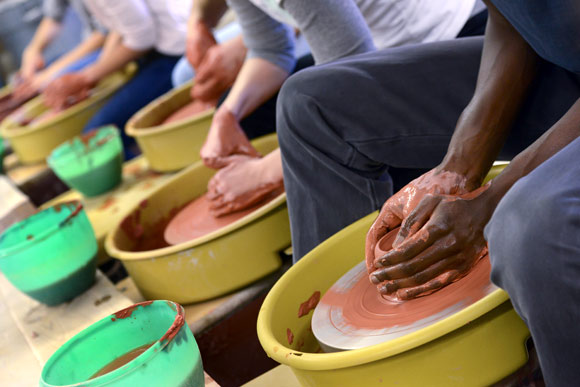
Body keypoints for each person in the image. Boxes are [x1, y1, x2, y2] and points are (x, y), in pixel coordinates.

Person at [277, 0, 580, 384]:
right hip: (561, 63)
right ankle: (363, 362)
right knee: (307, 106)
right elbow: (511, 16)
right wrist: (456, 168)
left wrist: (492, 201)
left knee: (530, 225)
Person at [202, 0, 488, 217]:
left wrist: (260, 173)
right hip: (378, 53)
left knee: (343, 152)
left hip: (457, 39)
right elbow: (269, 48)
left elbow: (349, 90)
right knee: (255, 115)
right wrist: (227, 115)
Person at [42, 0, 190, 158]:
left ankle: (154, 171)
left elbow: (142, 37)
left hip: (175, 52)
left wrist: (85, 77)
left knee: (100, 139)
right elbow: (119, 28)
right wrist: (93, 76)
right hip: (153, 49)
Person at [13, 0, 106, 100]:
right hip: (95, 42)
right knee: (41, 77)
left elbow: (104, 33)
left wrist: (51, 73)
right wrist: (32, 50)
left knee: (54, 83)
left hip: (110, 48)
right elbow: (53, 17)